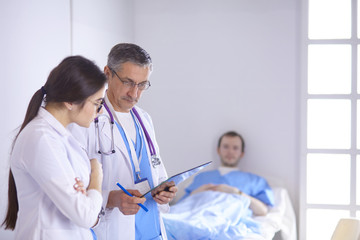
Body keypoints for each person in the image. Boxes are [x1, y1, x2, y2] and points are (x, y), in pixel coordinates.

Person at [68, 43, 177, 240]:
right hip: (113, 231)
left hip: (153, 230)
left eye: (142, 84)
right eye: (128, 82)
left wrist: (164, 190)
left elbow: (157, 171)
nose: (134, 93)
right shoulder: (86, 121)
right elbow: (73, 189)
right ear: (107, 73)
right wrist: (112, 199)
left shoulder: (144, 119)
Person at [2, 56, 107, 240]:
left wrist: (87, 195)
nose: (101, 111)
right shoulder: (42, 139)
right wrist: (96, 176)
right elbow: (85, 215)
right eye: (97, 103)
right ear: (71, 101)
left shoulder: (63, 138)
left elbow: (85, 210)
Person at [183, 131, 274, 216]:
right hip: (198, 217)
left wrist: (236, 192)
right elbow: (180, 207)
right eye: (226, 147)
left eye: (235, 148)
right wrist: (196, 192)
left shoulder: (254, 181)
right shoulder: (202, 177)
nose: (230, 152)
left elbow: (263, 211)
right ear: (218, 150)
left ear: (242, 153)